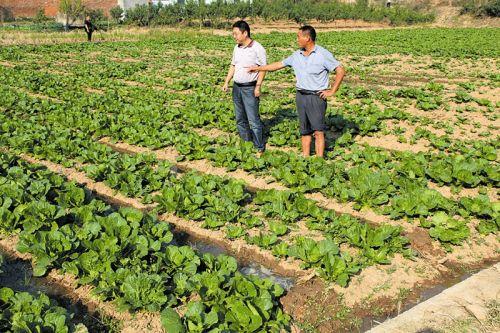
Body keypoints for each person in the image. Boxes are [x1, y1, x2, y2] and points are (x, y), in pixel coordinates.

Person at [248, 25, 345, 157]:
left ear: (307, 38)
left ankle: (319, 160)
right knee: (304, 130)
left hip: (316, 97)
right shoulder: (296, 55)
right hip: (301, 96)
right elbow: (278, 65)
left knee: (318, 131)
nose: (297, 39)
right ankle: (305, 157)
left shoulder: (323, 54)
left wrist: (332, 90)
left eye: (298, 36)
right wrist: (259, 68)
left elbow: (340, 70)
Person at [222, 20, 267, 156]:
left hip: (249, 88)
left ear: (245, 33)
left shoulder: (257, 48)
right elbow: (233, 65)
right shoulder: (237, 47)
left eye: (236, 34)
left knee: (253, 120)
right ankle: (246, 144)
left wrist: (258, 86)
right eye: (233, 34)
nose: (234, 36)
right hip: (237, 87)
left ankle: (259, 147)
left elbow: (263, 69)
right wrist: (226, 82)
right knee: (240, 118)